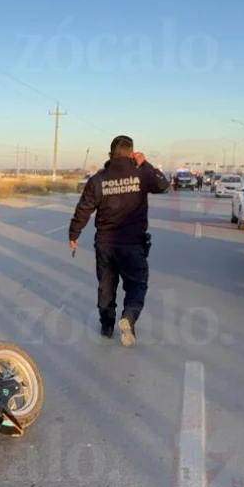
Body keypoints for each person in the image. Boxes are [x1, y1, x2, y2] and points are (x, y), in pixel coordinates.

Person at [68, 135, 169, 348]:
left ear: (110, 154)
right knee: (136, 284)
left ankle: (106, 326)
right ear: (131, 153)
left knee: (106, 286)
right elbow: (163, 185)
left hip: (105, 244)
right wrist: (146, 163)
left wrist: (73, 235)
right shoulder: (141, 173)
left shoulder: (98, 179)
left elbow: (83, 209)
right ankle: (129, 317)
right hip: (133, 243)